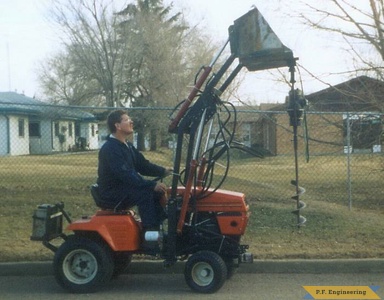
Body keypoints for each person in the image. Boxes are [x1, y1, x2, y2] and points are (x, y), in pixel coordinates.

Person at [97, 110, 171, 231]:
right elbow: (126, 174)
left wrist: (162, 171)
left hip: (123, 188)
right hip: (111, 192)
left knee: (158, 192)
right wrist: (151, 185)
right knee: (145, 193)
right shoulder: (110, 149)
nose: (131, 121)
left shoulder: (127, 145)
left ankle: (160, 228)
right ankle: (150, 233)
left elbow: (142, 165)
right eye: (126, 120)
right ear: (118, 126)